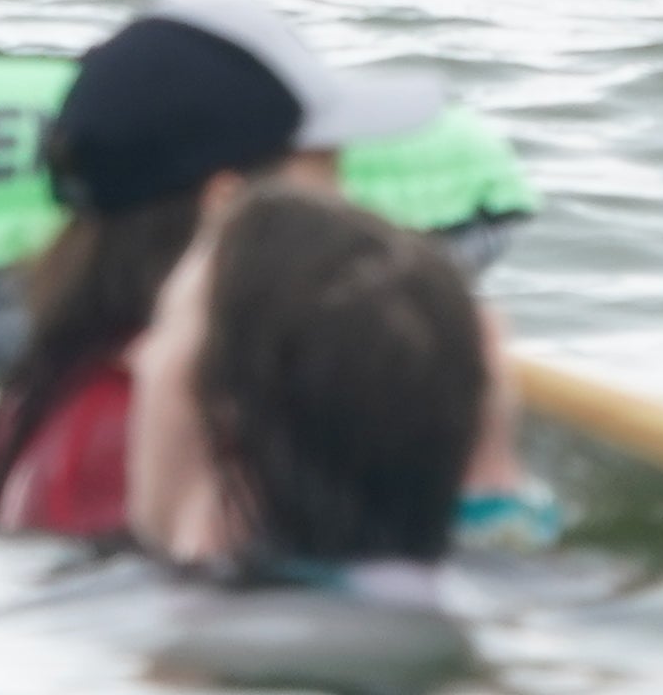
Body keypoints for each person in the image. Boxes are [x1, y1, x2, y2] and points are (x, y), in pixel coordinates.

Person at [0, 0, 456, 540]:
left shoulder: (65, 380)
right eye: (328, 171)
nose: (350, 203)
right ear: (229, 207)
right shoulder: (142, 426)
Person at [122, 185, 493, 584]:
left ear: (225, 409)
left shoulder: (115, 626)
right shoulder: (483, 587)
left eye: (163, 325)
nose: (136, 358)